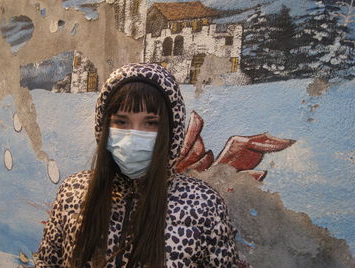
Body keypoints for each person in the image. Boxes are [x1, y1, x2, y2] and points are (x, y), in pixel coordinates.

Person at [36, 63, 239, 268]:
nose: (133, 137)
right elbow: (46, 263)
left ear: (171, 132)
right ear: (104, 127)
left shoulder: (204, 205)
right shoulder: (73, 192)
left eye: (150, 123)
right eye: (121, 122)